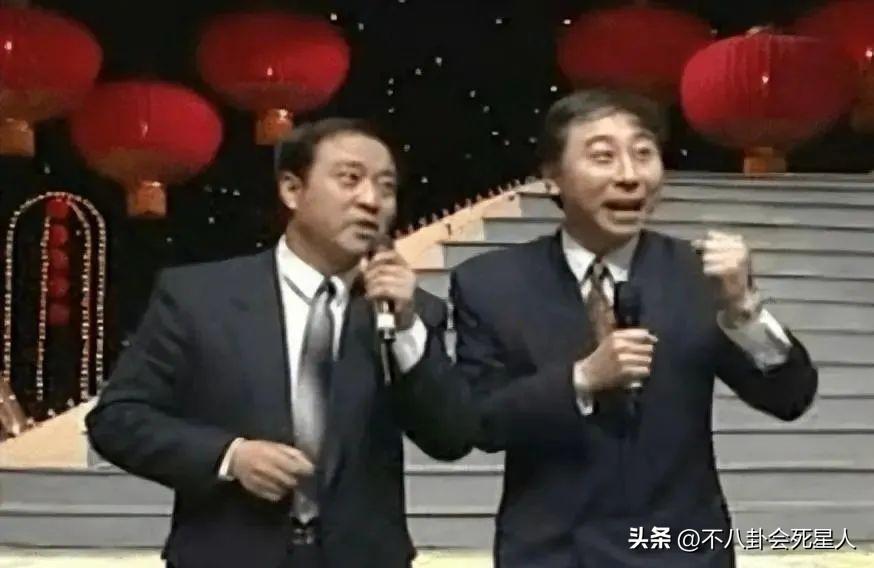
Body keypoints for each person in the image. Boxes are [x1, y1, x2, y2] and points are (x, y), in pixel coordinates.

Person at [449, 89, 818, 567]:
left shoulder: (698, 274)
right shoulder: (490, 283)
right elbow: (480, 421)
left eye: (643, 154)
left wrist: (744, 308)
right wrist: (581, 379)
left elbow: (789, 398)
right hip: (554, 553)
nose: (629, 175)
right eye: (603, 157)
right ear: (552, 177)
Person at [86, 118, 472, 568]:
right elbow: (117, 419)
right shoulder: (199, 297)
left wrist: (405, 329)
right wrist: (230, 456)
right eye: (350, 179)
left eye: (386, 187)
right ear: (292, 190)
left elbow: (452, 437)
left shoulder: (411, 311)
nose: (371, 200)